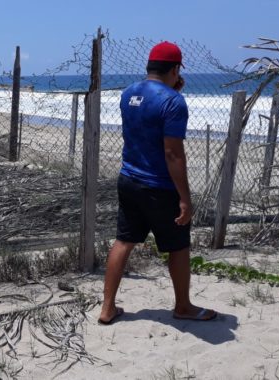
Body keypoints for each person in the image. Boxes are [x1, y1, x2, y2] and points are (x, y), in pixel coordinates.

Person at [98, 41, 217, 325]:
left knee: (124, 240)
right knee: (178, 246)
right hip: (158, 186)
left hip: (128, 178)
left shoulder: (129, 94)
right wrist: (185, 198)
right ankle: (183, 306)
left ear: (149, 66)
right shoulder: (174, 101)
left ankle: (107, 307)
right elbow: (172, 152)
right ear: (175, 69)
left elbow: (145, 126)